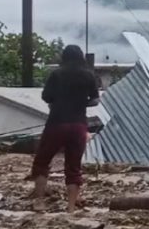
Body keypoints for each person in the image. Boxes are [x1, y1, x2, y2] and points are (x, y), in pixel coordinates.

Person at [30, 44, 99, 212]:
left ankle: (39, 202)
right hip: (78, 125)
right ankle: (70, 208)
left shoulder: (57, 74)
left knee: (42, 161)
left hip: (57, 123)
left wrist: (57, 101)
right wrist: (82, 102)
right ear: (81, 57)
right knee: (74, 167)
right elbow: (96, 100)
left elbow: (46, 96)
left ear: (64, 57)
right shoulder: (89, 75)